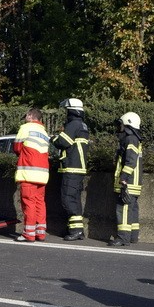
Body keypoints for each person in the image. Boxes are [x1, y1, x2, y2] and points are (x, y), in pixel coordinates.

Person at [53, 98, 90, 240]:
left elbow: (63, 142)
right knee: (74, 200)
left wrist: (53, 140)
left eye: (67, 110)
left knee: (68, 199)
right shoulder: (82, 125)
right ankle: (77, 230)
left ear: (71, 111)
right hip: (78, 169)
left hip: (72, 168)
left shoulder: (73, 124)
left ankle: (76, 231)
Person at [13, 108, 51, 242]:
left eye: (26, 116)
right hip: (42, 174)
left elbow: (17, 147)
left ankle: (28, 233)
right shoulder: (44, 132)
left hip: (28, 172)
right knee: (40, 202)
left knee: (28, 203)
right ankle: (40, 233)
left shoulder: (26, 127)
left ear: (30, 116)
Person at [110, 112, 142, 246]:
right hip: (134, 182)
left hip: (128, 182)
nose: (120, 127)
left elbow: (130, 161)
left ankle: (123, 238)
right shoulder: (135, 139)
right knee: (132, 209)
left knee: (123, 209)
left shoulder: (130, 139)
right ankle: (133, 236)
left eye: (121, 124)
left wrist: (123, 178)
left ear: (127, 124)